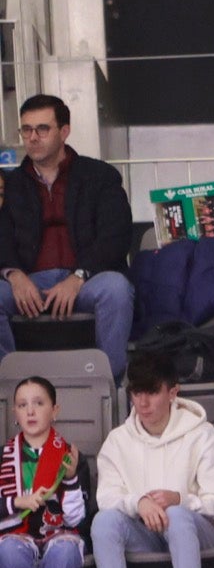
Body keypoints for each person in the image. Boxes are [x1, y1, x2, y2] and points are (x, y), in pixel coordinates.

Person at [0, 93, 135, 377]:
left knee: (116, 289)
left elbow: (116, 234)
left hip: (87, 280)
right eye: (26, 129)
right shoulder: (11, 185)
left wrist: (78, 276)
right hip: (30, 280)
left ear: (64, 131)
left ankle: (110, 385)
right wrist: (13, 274)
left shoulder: (100, 176)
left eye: (42, 129)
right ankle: (10, 388)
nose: (32, 137)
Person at [91, 350, 214, 568]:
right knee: (103, 522)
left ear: (172, 392)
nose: (142, 402)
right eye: (136, 392)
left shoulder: (201, 434)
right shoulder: (117, 440)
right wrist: (139, 502)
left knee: (177, 515)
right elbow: (106, 497)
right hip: (145, 533)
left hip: (199, 531)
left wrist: (180, 499)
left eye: (152, 392)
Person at [0, 376, 85, 568]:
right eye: (22, 405)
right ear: (14, 414)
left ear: (54, 410)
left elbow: (77, 520)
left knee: (65, 551)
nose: (30, 411)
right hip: (14, 536)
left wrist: (70, 478)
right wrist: (16, 502)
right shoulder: (2, 457)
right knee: (7, 551)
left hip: (59, 534)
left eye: (38, 403)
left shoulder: (71, 456)